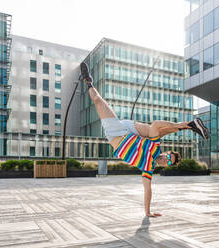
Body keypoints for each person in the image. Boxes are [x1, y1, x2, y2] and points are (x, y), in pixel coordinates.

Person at [80, 62, 209, 217]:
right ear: (166, 152)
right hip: (131, 130)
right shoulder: (156, 148)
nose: (165, 159)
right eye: (169, 156)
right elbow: (155, 125)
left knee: (97, 100)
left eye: (169, 161)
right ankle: (189, 125)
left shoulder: (148, 168)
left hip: (116, 133)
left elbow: (148, 190)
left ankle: (88, 81)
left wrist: (147, 213)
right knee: (154, 131)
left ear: (166, 165)